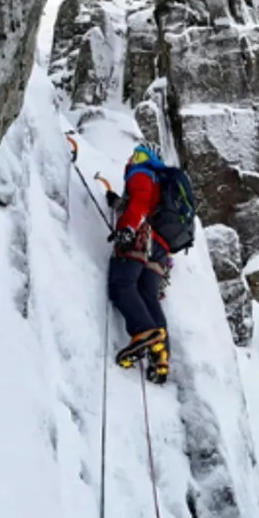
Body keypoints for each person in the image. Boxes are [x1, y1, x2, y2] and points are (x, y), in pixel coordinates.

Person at [104, 143, 175, 383]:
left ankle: (144, 331)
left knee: (122, 284)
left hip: (142, 237)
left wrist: (127, 228)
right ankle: (161, 356)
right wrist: (119, 204)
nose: (135, 158)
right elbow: (143, 203)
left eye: (141, 154)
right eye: (135, 154)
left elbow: (141, 202)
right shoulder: (161, 184)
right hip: (161, 250)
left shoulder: (142, 173)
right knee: (148, 295)